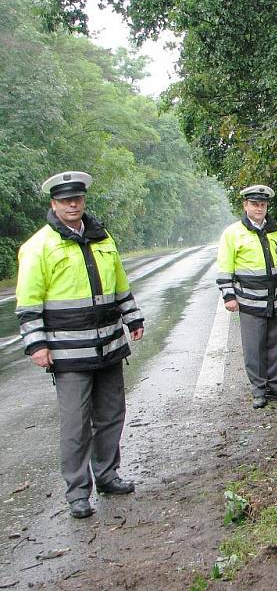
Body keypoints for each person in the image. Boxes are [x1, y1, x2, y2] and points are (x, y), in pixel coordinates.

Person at [15, 171, 144, 519]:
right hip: (68, 352)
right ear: (54, 204)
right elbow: (28, 302)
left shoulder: (102, 238)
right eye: (65, 200)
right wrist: (37, 345)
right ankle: (77, 492)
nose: (73, 204)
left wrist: (133, 318)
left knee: (112, 414)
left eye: (78, 198)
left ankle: (107, 475)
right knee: (75, 423)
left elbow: (120, 284)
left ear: (84, 200)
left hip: (108, 344)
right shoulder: (38, 246)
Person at [216, 184, 277, 409]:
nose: (259, 208)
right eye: (255, 204)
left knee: (276, 343)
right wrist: (229, 296)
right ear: (245, 205)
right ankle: (259, 389)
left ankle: (275, 385)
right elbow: (225, 267)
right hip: (249, 300)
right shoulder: (232, 233)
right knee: (254, 346)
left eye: (263, 204)